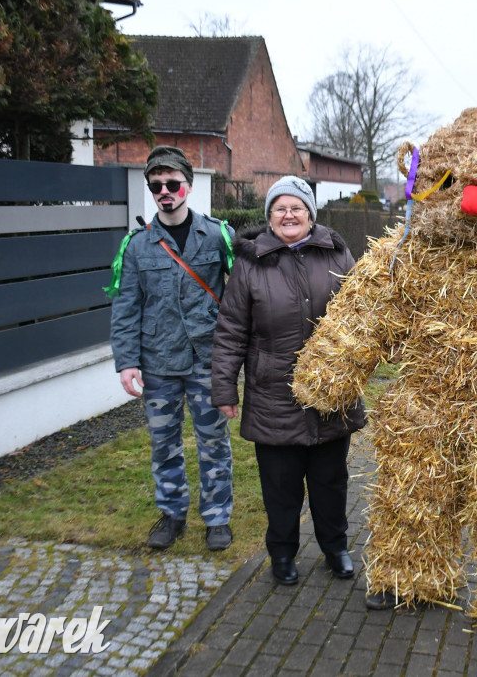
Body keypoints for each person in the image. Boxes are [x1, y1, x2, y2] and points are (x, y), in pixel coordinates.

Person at [211, 176, 365, 586]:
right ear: (269, 217)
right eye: (279, 208)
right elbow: (230, 331)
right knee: (280, 487)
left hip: (330, 395)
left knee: (330, 481)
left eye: (297, 207)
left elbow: (363, 312)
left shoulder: (336, 252)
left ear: (311, 214)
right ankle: (282, 553)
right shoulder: (250, 263)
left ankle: (336, 548)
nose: (288, 214)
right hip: (272, 395)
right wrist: (225, 388)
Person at [109, 146, 234, 551]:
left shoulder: (217, 236)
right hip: (159, 363)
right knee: (164, 444)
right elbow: (126, 307)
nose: (165, 191)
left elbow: (241, 297)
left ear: (188, 186)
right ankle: (172, 513)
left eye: (173, 183)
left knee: (213, 441)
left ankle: (217, 518)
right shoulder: (138, 246)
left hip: (207, 360)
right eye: (157, 184)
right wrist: (126, 362)